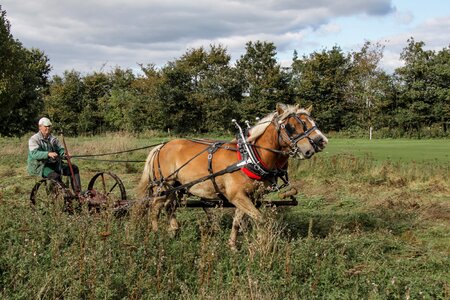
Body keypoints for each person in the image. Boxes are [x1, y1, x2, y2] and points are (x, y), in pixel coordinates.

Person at [27, 117, 81, 193]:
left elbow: (60, 149)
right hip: (40, 166)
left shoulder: (53, 138)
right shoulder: (34, 139)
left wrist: (64, 154)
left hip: (54, 163)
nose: (48, 128)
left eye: (49, 126)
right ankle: (64, 194)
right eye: (45, 126)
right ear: (40, 127)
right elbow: (34, 154)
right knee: (55, 176)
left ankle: (77, 193)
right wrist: (48, 154)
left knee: (74, 168)